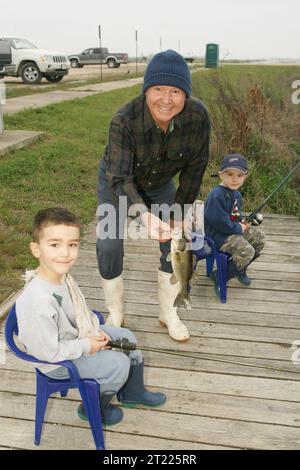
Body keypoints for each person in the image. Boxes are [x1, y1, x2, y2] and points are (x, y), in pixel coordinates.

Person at [96, 49, 210, 342]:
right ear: (146, 90)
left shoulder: (198, 118)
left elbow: (195, 172)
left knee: (179, 242)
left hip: (161, 186)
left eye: (175, 91)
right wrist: (144, 216)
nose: (166, 99)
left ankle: (168, 311)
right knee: (108, 245)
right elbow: (120, 177)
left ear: (185, 94)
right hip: (117, 184)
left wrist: (181, 214)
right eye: (158, 89)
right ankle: (115, 312)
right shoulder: (123, 119)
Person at [16, 207, 166, 426]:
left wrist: (95, 334)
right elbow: (46, 352)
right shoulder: (37, 300)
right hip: (56, 362)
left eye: (72, 245)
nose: (65, 253)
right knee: (117, 363)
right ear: (36, 249)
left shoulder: (62, 277)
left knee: (127, 338)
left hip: (74, 339)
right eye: (55, 244)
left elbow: (81, 312)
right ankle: (93, 406)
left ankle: (133, 392)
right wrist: (87, 345)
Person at [204, 154, 266, 297]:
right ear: (221, 175)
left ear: (245, 176)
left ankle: (239, 268)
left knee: (259, 238)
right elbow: (218, 221)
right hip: (217, 237)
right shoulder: (217, 195)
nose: (234, 179)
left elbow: (233, 216)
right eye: (229, 174)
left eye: (239, 175)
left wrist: (242, 223)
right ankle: (220, 275)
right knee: (247, 251)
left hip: (230, 232)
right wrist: (238, 228)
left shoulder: (236, 194)